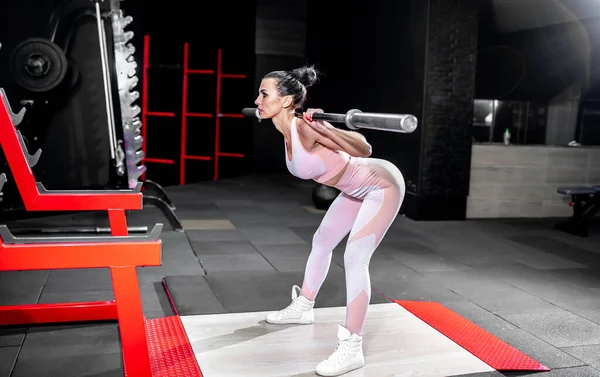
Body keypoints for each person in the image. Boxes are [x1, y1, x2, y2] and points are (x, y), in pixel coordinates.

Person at [254, 65, 405, 376]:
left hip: (381, 184)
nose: (257, 100)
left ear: (285, 101)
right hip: (352, 189)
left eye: (263, 94)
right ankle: (303, 307)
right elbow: (261, 113)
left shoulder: (306, 128)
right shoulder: (285, 128)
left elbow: (365, 148)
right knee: (321, 241)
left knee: (354, 257)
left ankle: (352, 347)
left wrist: (327, 129)